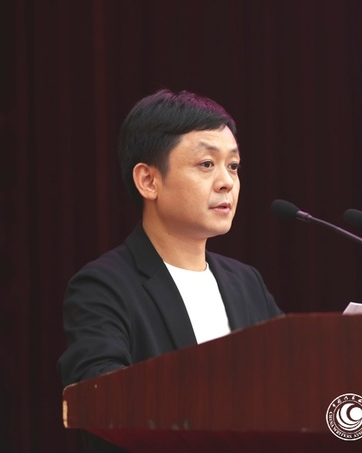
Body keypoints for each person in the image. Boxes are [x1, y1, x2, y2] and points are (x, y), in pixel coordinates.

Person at [57, 89, 284, 452]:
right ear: (149, 181)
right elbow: (101, 402)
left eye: (233, 165)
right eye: (206, 164)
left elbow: (293, 381)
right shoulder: (103, 287)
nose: (226, 181)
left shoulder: (246, 283)